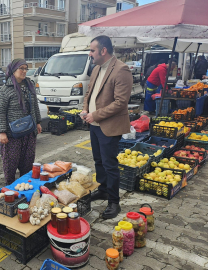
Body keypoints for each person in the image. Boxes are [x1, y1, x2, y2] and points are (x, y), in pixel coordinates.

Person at [81, 36, 132, 219]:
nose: (90, 53)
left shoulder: (121, 70)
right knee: (98, 161)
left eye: (92, 50)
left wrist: (95, 114)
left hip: (108, 125)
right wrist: (86, 108)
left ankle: (114, 202)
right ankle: (102, 190)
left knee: (110, 164)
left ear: (103, 51)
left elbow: (120, 103)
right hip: (94, 125)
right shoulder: (96, 69)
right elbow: (89, 92)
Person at [0, 59, 42, 185]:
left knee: (27, 164)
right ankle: (10, 189)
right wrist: (2, 132)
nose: (24, 71)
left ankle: (25, 187)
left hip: (29, 132)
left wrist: (38, 122)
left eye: (26, 68)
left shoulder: (29, 85)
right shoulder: (6, 89)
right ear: (13, 70)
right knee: (10, 165)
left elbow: (35, 106)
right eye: (21, 68)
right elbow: (0, 112)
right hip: (13, 135)